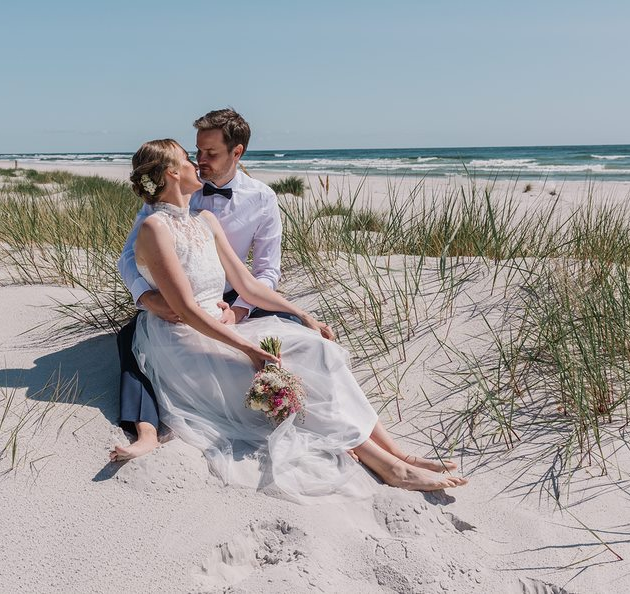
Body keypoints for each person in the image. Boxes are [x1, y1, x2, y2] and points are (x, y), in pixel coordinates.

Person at [113, 138, 467, 502]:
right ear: (172, 172)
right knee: (285, 375)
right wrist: (249, 348)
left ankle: (397, 451)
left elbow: (248, 284)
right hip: (182, 339)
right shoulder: (154, 228)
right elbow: (185, 310)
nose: (196, 164)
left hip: (224, 326)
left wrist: (302, 314)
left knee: (319, 350)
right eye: (188, 159)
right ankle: (389, 467)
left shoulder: (206, 220)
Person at [114, 108, 293, 460]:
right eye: (196, 152)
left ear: (236, 152)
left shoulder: (261, 198)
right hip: (179, 298)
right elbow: (126, 258)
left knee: (295, 329)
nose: (201, 161)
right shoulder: (178, 190)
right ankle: (146, 425)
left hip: (237, 295)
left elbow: (267, 271)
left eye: (211, 154)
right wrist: (148, 298)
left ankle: (292, 407)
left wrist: (239, 310)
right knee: (130, 342)